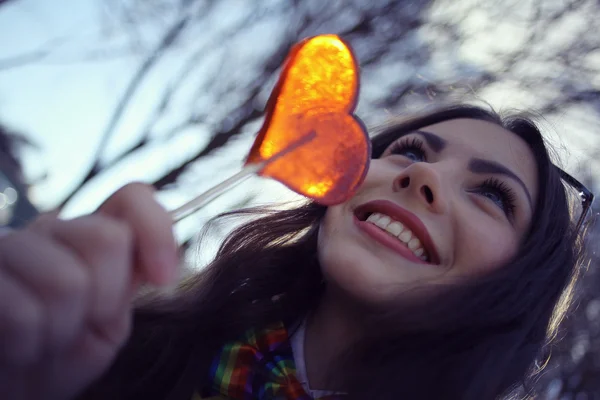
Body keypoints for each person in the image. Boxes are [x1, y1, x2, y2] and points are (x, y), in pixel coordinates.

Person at [0, 105, 591, 400]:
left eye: (491, 194)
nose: (422, 177)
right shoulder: (130, 342)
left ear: (522, 287)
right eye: (410, 151)